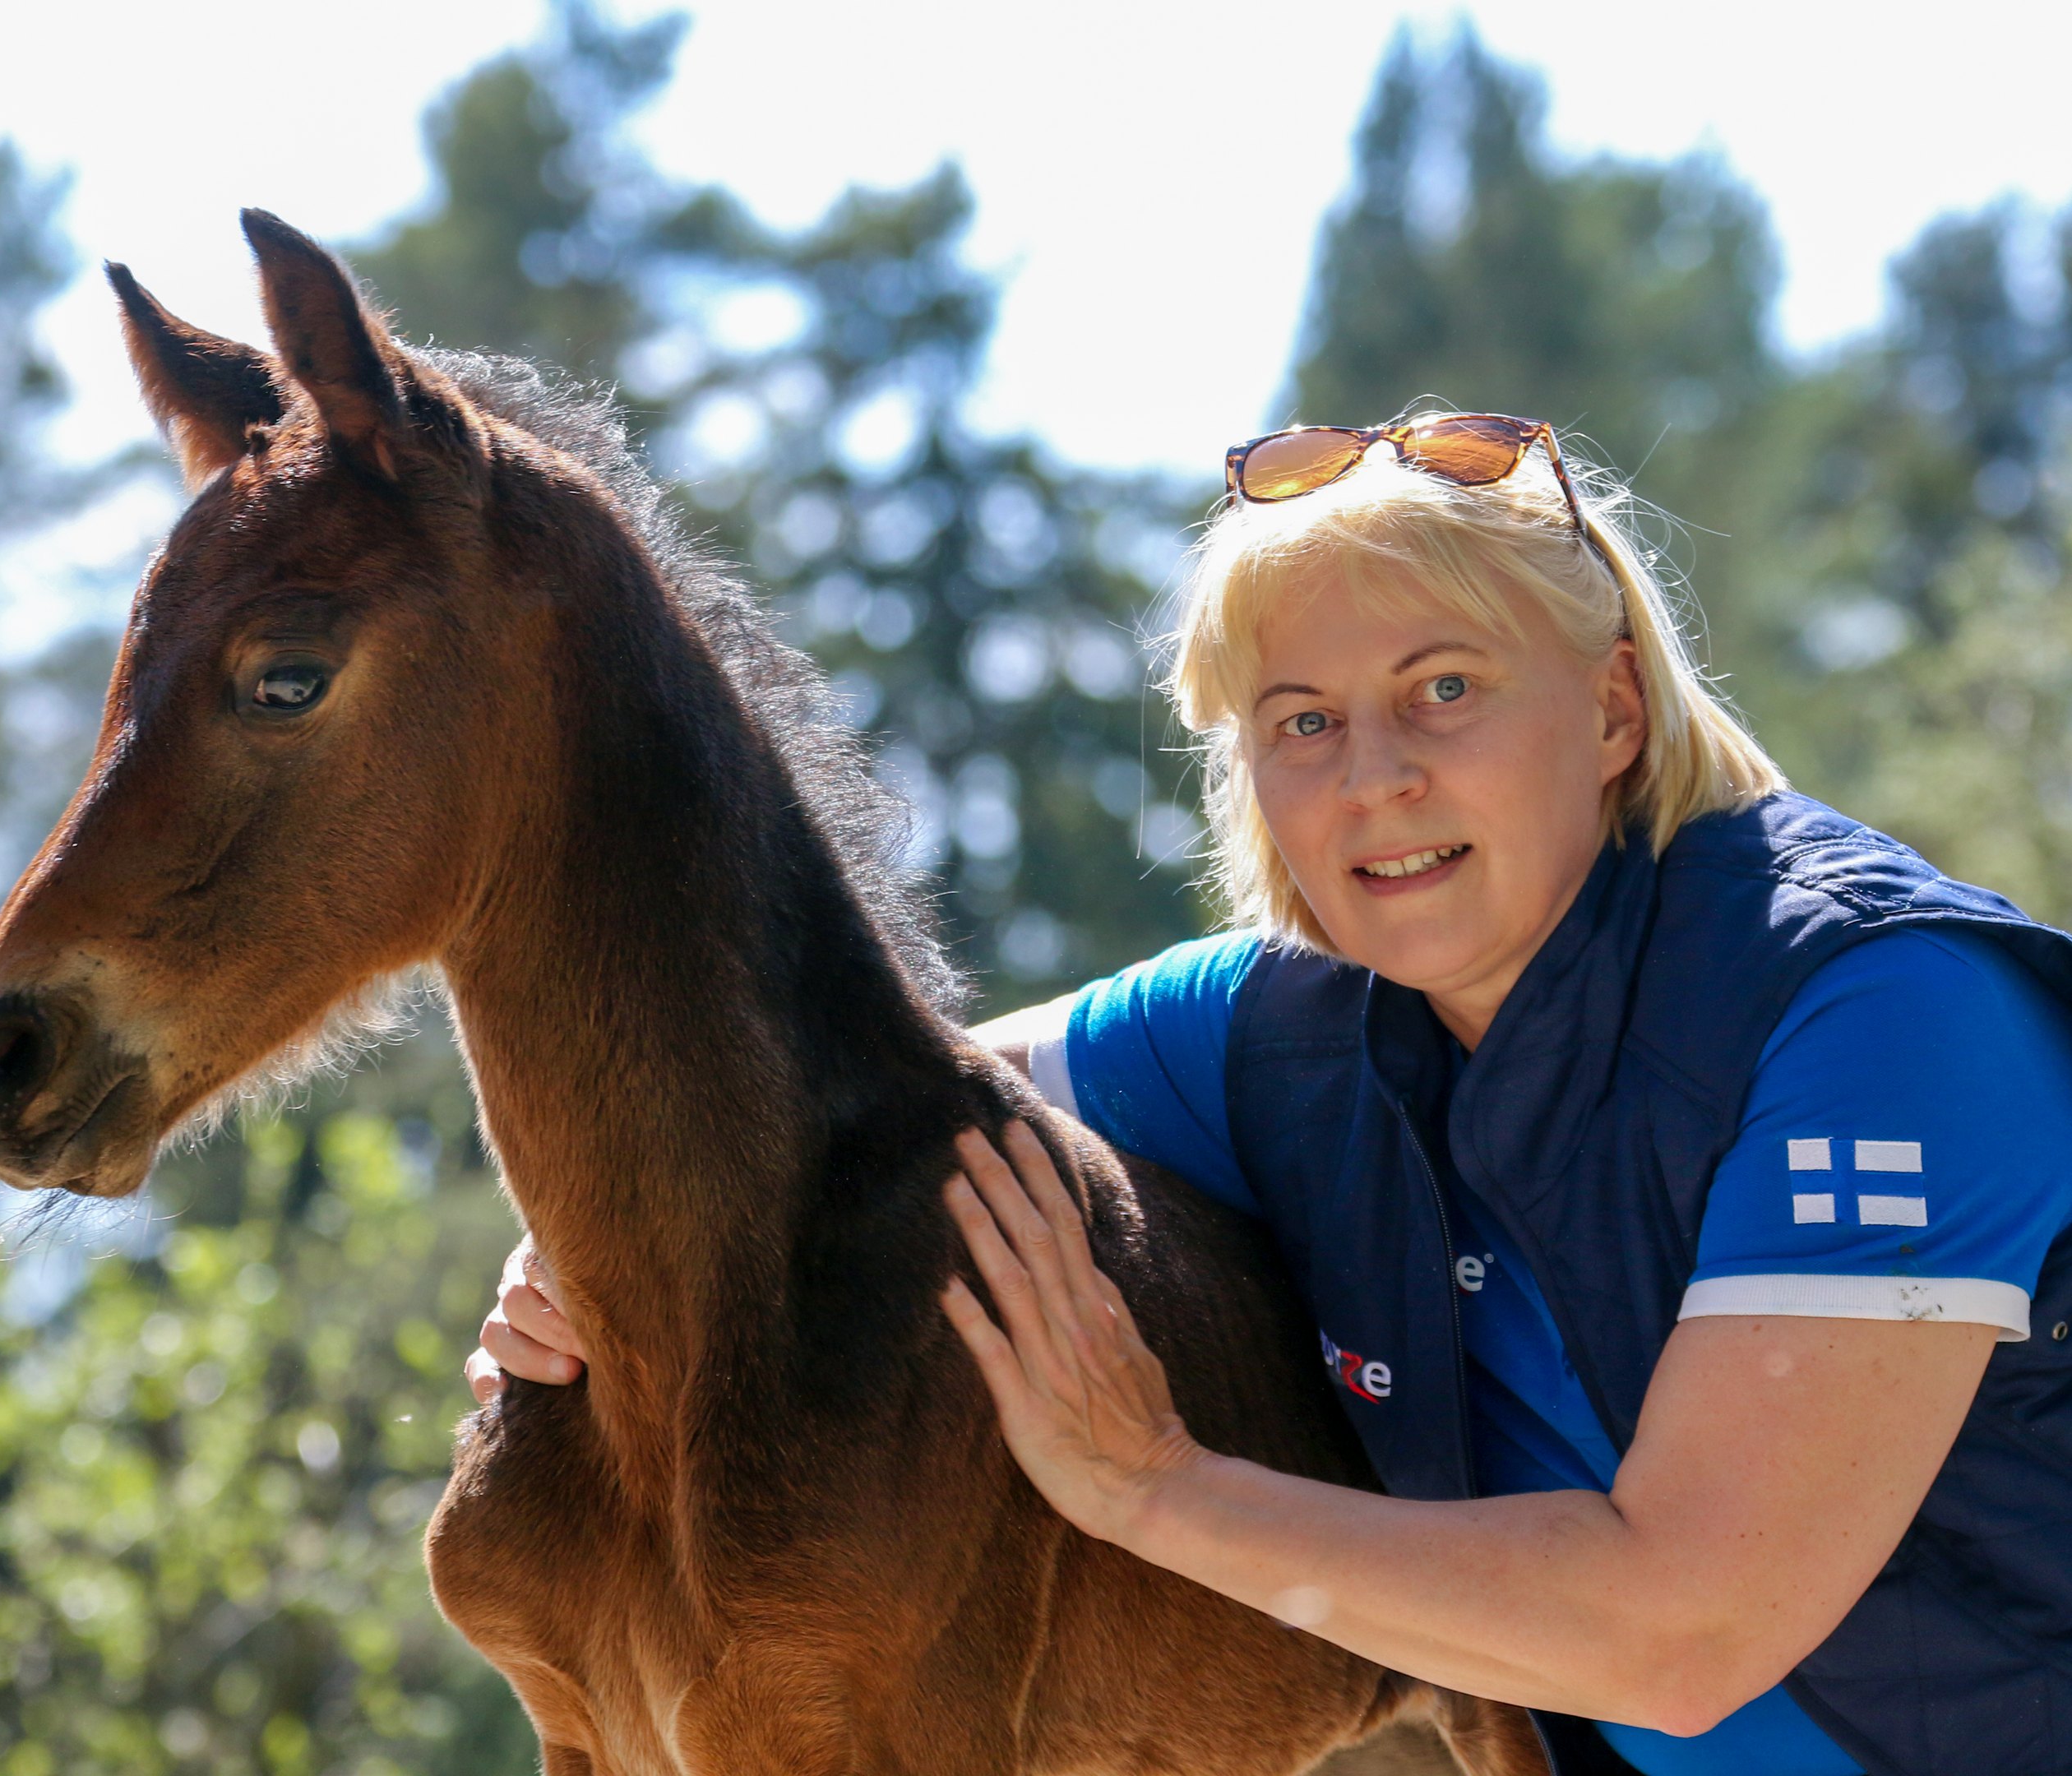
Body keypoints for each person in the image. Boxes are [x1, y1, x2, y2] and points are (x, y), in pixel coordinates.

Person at [466, 414, 2072, 1776]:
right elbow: (828, 1118)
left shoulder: (1883, 1013)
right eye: (1301, 722)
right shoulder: (1268, 1036)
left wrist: (1158, 1491)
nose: (1373, 773)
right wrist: (586, 1277)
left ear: (1608, 712)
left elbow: (1682, 1635)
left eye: (1443, 688)